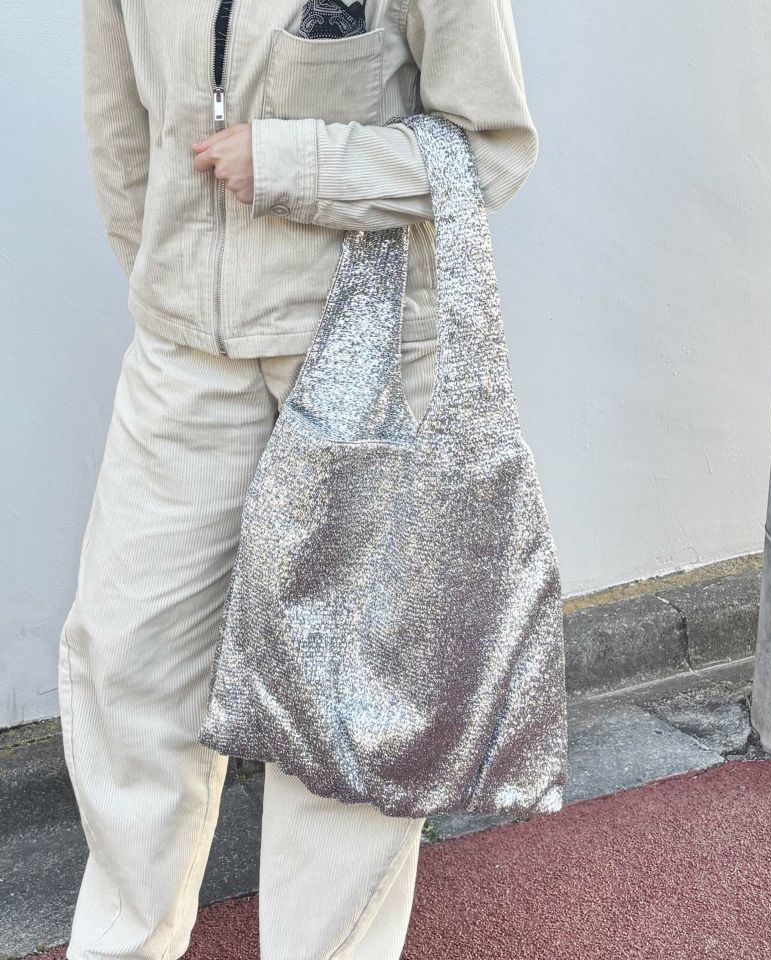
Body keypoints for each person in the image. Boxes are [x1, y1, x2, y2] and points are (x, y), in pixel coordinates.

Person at [60, 1, 539, 957]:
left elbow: (491, 147)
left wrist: (296, 164)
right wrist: (167, 281)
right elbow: (120, 124)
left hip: (363, 345)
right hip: (184, 351)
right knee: (124, 663)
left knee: (345, 706)